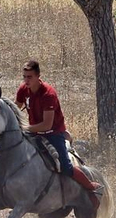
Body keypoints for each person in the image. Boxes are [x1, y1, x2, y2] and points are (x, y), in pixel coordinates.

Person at [17, 60, 101, 208]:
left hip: (52, 133)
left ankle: (91, 187)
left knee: (65, 167)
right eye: (24, 76)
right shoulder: (23, 89)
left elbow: (46, 125)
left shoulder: (48, 94)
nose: (26, 80)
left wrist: (24, 128)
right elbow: (16, 110)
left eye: (29, 77)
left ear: (38, 76)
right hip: (33, 133)